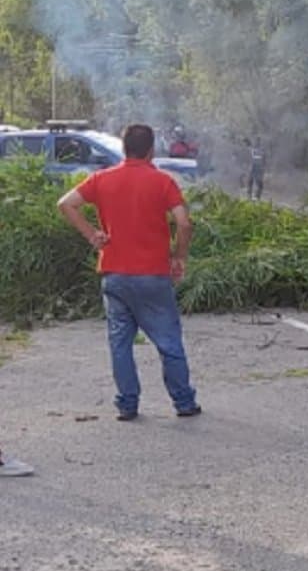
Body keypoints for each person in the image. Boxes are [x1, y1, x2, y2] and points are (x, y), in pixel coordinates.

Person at [57, 124, 200, 420]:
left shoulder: (101, 179)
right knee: (168, 341)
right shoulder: (162, 182)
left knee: (120, 343)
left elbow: (66, 204)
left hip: (115, 274)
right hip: (153, 274)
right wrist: (179, 257)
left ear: (123, 148)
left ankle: (127, 405)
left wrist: (92, 234)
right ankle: (184, 403)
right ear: (151, 150)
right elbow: (184, 223)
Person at [247, 136, 266, 200]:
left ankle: (255, 196)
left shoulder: (255, 149)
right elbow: (263, 160)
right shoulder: (257, 150)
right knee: (252, 182)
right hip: (255, 168)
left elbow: (263, 160)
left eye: (257, 141)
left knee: (256, 183)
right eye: (256, 141)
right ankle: (252, 196)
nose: (256, 142)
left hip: (256, 168)